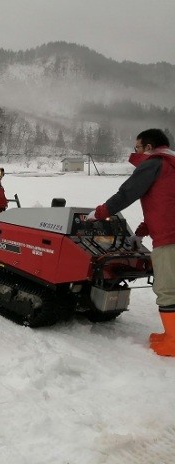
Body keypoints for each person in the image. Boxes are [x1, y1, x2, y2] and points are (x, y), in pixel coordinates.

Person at [87, 128, 175, 356]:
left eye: (136, 147)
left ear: (148, 147)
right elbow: (166, 204)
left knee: (168, 289)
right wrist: (142, 231)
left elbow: (127, 193)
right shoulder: (171, 165)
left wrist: (99, 214)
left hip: (170, 240)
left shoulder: (153, 163)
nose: (134, 152)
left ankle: (172, 342)